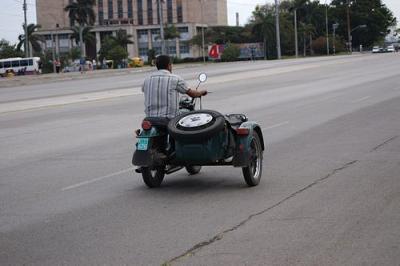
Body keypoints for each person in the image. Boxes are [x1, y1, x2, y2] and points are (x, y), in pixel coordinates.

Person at [142, 55, 207, 119]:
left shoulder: (147, 80)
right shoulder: (175, 78)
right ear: (169, 65)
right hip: (170, 118)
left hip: (149, 118)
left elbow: (144, 90)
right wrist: (201, 92)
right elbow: (192, 94)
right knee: (188, 111)